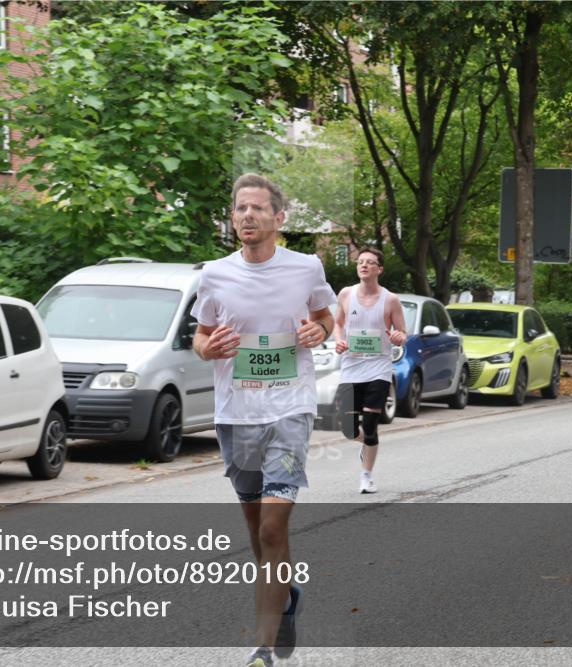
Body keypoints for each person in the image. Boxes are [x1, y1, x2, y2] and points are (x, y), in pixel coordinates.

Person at [192, 173, 336, 667]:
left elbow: (326, 317)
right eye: (240, 208)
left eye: (257, 208)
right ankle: (286, 596)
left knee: (274, 529)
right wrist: (208, 347)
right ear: (233, 218)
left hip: (290, 410)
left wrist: (319, 331)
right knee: (258, 533)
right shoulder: (215, 274)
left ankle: (263, 649)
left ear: (279, 218)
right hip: (237, 414)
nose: (247, 215)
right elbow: (202, 336)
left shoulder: (306, 267)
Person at [333, 247, 407, 494]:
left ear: (379, 269)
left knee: (371, 424)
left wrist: (398, 337)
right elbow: (338, 323)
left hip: (378, 369)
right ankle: (370, 444)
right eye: (360, 262)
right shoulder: (346, 294)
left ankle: (366, 475)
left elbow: (402, 333)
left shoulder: (391, 299)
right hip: (351, 368)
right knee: (348, 428)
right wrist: (339, 341)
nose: (363, 265)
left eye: (370, 262)